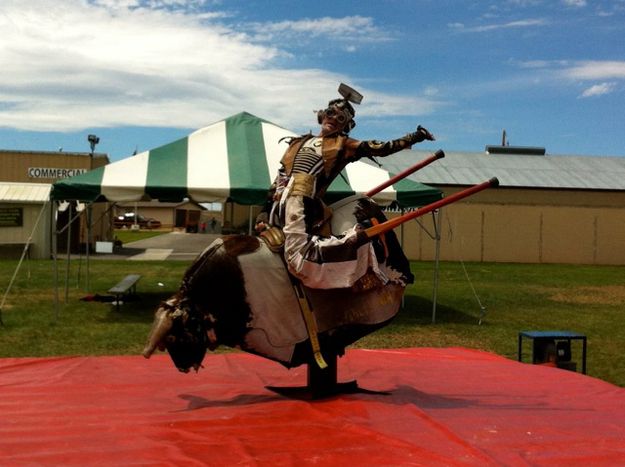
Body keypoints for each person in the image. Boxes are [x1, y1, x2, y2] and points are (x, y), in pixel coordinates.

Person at [256, 85, 434, 289]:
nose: (333, 119)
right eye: (331, 113)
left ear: (346, 125)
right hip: (279, 203)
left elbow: (382, 148)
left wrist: (414, 136)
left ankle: (353, 259)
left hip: (303, 204)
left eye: (341, 119)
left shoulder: (344, 144)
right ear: (322, 115)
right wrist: (263, 210)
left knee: (299, 260)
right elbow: (279, 179)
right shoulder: (297, 143)